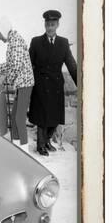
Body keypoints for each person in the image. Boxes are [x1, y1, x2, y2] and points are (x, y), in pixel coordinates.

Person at [29, 10, 77, 156]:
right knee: (42, 118)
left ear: (57, 25)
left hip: (56, 85)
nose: (50, 28)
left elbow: (71, 65)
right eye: (47, 24)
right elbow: (28, 64)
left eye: (53, 24)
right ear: (44, 25)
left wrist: (81, 84)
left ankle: (47, 140)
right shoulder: (36, 42)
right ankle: (40, 145)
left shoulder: (63, 43)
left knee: (55, 117)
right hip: (41, 85)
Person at [0, 16, 34, 152]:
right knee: (15, 116)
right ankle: (17, 148)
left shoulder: (15, 41)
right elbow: (12, 64)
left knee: (19, 118)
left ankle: (24, 151)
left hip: (25, 84)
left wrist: (7, 80)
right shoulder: (13, 40)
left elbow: (15, 67)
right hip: (21, 84)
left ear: (3, 30)